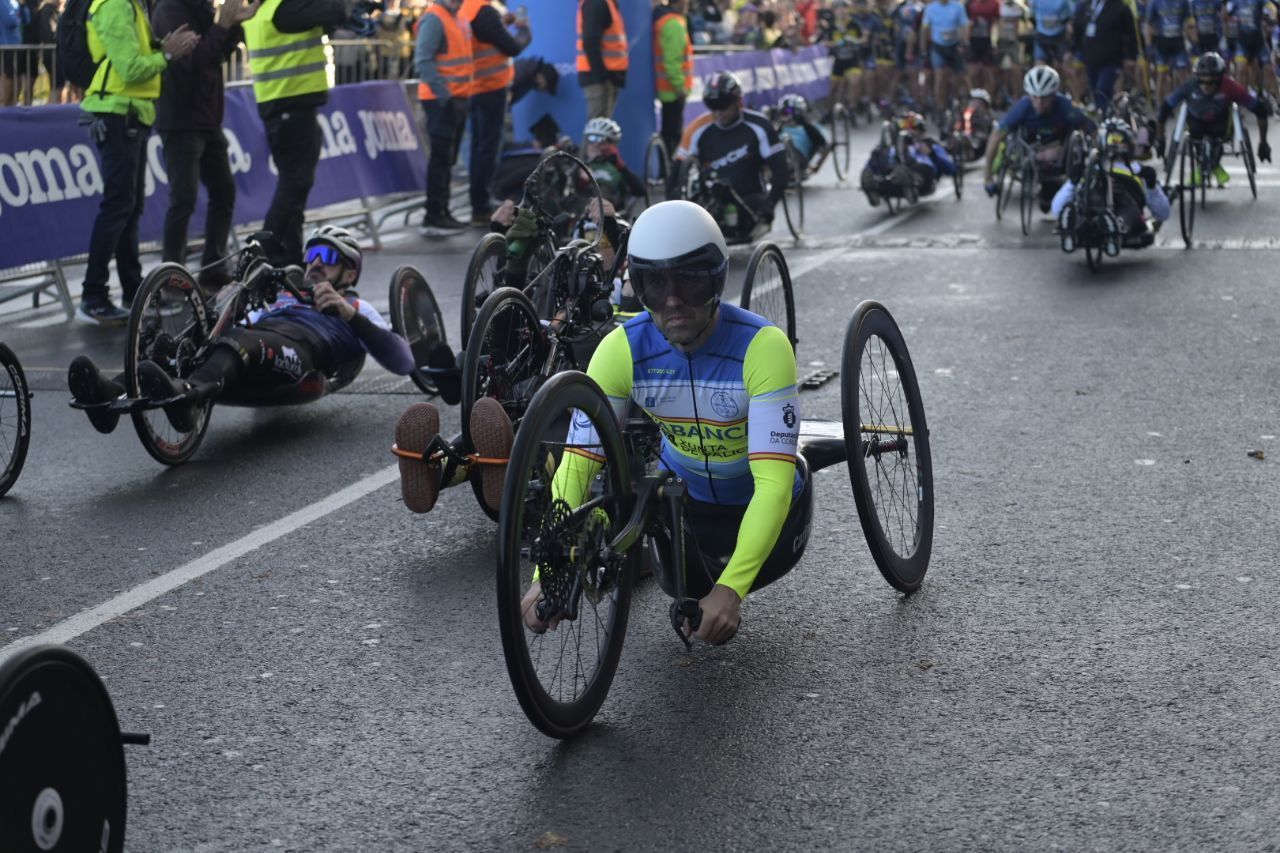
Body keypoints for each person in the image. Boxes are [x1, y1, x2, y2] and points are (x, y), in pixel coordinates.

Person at [515, 200, 809, 645]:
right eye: (655, 285)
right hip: (686, 507)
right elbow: (578, 464)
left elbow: (772, 486)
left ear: (716, 278)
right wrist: (547, 572)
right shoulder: (621, 350)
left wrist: (731, 591)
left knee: (714, 598)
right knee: (675, 583)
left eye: (689, 282)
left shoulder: (763, 348)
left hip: (768, 507)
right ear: (638, 285)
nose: (673, 300)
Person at [67, 226, 415, 435]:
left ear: (350, 273)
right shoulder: (281, 295)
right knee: (173, 349)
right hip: (247, 352)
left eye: (327, 254)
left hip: (301, 355)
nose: (315, 263)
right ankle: (107, 393)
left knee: (246, 341)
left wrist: (347, 314)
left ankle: (189, 397)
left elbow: (403, 361)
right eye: (311, 254)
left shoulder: (357, 308)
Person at [75, 0, 199, 325]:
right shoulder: (115, 5)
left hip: (131, 114)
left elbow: (134, 57)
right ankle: (93, 295)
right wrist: (168, 53)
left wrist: (163, 46)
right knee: (118, 206)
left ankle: (133, 292)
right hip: (117, 114)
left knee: (129, 207)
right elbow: (129, 68)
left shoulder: (131, 4)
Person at [153, 0, 255, 292]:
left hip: (207, 119)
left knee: (224, 191)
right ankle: (170, 277)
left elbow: (218, 53)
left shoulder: (201, 7)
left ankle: (213, 266)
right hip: (181, 120)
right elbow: (195, 60)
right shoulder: (171, 9)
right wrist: (222, 25)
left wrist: (233, 23)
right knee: (183, 198)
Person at [241, 0, 349, 267]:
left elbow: (328, 18)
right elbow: (334, 10)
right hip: (290, 105)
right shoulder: (283, 9)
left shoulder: (266, 10)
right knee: (295, 183)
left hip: (283, 106)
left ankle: (288, 259)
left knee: (295, 188)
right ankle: (264, 250)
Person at [674, 71, 789, 243]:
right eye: (713, 108)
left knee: (753, 209)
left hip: (749, 196)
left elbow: (780, 168)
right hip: (711, 197)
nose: (719, 113)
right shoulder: (697, 128)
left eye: (724, 106)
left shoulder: (759, 125)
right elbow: (676, 172)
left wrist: (771, 204)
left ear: (737, 102)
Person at [982, 65, 1095, 210]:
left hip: (1059, 154)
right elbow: (996, 135)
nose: (1039, 103)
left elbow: (1090, 127)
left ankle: (1050, 191)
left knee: (1048, 201)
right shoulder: (1022, 107)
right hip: (1029, 150)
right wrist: (988, 176)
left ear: (1053, 95)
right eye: (1035, 98)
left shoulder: (1066, 107)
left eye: (1044, 98)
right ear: (1029, 95)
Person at [1052, 118, 1170, 252]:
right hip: (1096, 197)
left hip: (1126, 198)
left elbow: (1163, 213)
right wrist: (1073, 182)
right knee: (1084, 209)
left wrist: (1152, 186)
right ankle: (1078, 224)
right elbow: (1056, 208)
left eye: (1120, 142)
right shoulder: (1091, 168)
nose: (1116, 147)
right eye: (1112, 142)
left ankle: (1110, 225)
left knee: (1128, 214)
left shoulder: (1140, 170)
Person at [1156, 51, 1272, 186]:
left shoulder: (1230, 86)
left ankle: (1212, 164)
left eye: (1211, 82)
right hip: (1196, 124)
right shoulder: (1188, 86)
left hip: (1221, 125)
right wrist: (1160, 139)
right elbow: (1164, 109)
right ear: (1197, 78)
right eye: (1202, 81)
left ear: (1220, 79)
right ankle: (1208, 166)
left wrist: (1263, 142)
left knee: (1218, 132)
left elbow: (1260, 110)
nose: (1206, 86)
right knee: (1195, 131)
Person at [463, 0, 530, 226]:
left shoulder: (470, 9)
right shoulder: (484, 11)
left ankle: (479, 202)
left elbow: (487, 34)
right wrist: (523, 30)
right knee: (488, 149)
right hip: (490, 88)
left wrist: (502, 22)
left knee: (479, 148)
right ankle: (481, 204)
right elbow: (512, 46)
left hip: (477, 87)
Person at [415, 0, 473, 233]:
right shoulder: (435, 18)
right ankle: (435, 212)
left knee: (447, 159)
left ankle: (441, 210)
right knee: (441, 158)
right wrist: (445, 95)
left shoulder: (456, 17)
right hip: (442, 100)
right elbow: (423, 60)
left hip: (454, 99)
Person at [1070, 0, 1139, 108]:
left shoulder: (1121, 8)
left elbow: (1131, 34)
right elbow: (1078, 29)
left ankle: (1106, 117)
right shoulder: (1085, 7)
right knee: (1095, 91)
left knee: (1102, 90)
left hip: (1111, 59)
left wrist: (1131, 56)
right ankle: (1105, 114)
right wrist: (1074, 50)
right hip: (1090, 58)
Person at [580, 116, 646, 212]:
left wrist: (619, 164)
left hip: (604, 210)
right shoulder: (578, 164)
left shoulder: (616, 167)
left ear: (612, 145)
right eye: (592, 138)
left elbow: (640, 191)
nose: (596, 144)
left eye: (603, 140)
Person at [653, 0, 692, 158]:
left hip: (667, 88)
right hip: (673, 90)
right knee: (672, 132)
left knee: (669, 129)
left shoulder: (665, 21)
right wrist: (679, 86)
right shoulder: (673, 24)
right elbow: (672, 61)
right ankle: (671, 168)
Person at [577, 0, 628, 119]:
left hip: (606, 77)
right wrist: (601, 77)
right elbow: (590, 42)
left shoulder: (606, 3)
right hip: (600, 78)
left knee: (602, 130)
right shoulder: (596, 3)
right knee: (598, 131)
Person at [920, 0, 970, 112]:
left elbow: (964, 25)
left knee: (962, 75)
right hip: (938, 46)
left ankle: (965, 100)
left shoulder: (958, 6)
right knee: (940, 76)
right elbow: (925, 28)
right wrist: (923, 48)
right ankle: (940, 106)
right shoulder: (931, 8)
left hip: (954, 45)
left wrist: (964, 43)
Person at [1146, 0, 1190, 105]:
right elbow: (1149, 25)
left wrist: (1190, 40)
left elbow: (1187, 21)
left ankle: (1188, 103)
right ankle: (1159, 105)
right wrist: (1148, 45)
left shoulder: (1183, 2)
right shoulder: (1155, 2)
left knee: (1183, 74)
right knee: (1161, 75)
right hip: (1162, 42)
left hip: (1178, 41)